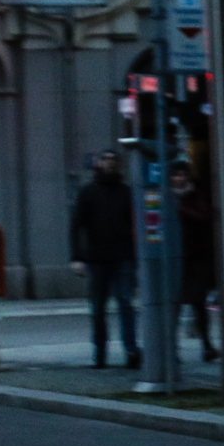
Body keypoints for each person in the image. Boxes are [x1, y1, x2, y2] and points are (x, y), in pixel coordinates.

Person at [68, 152, 139, 368]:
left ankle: (131, 350)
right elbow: (76, 226)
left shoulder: (126, 192)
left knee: (125, 304)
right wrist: (77, 257)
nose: (110, 164)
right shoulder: (88, 192)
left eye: (113, 160)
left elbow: (136, 227)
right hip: (97, 259)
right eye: (106, 160)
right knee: (98, 308)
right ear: (99, 164)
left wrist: (135, 256)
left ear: (119, 165)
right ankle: (100, 352)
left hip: (122, 257)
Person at [169, 162, 218, 362]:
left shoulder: (196, 196)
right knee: (173, 305)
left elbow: (205, 217)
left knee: (198, 303)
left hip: (196, 257)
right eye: (176, 175)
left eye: (183, 174)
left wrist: (181, 210)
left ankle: (206, 345)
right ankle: (173, 348)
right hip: (173, 258)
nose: (180, 178)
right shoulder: (164, 196)